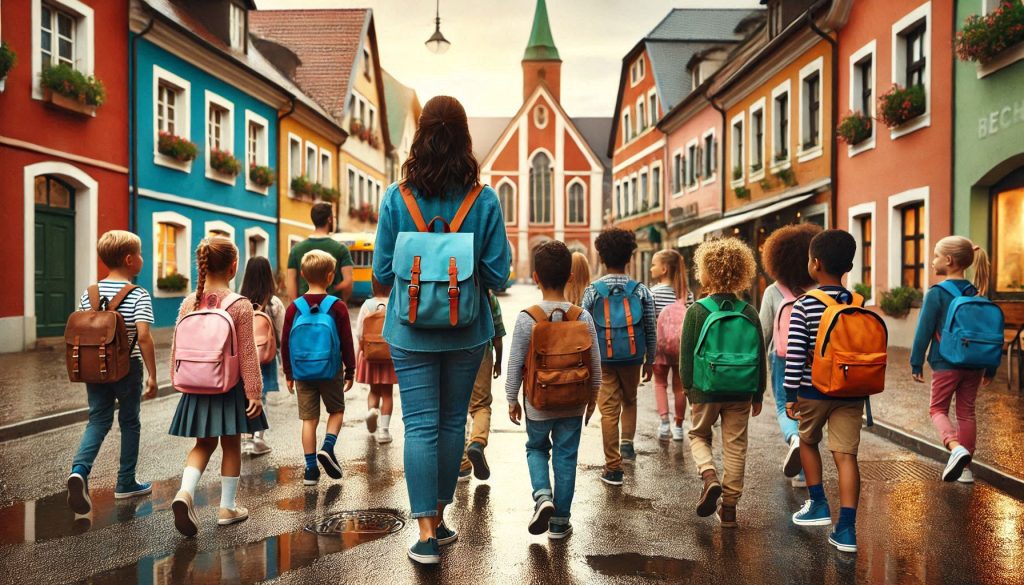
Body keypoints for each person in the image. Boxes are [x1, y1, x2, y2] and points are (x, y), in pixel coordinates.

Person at [373, 95, 510, 565]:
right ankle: (442, 514)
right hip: (466, 326)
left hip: (409, 329)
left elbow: (380, 273)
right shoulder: (484, 199)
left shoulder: (397, 196)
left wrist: (419, 264)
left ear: (420, 135)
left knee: (420, 424)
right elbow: (497, 275)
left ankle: (426, 534)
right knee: (453, 421)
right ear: (465, 137)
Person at [169, 237, 268, 536]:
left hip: (197, 385)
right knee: (231, 444)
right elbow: (248, 354)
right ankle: (227, 507)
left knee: (202, 444)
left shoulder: (190, 302)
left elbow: (177, 347)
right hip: (230, 387)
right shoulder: (239, 305)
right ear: (233, 266)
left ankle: (185, 493)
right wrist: (254, 392)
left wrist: (180, 379)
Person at [507, 241, 602, 539]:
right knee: (566, 456)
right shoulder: (582, 317)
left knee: (536, 448)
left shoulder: (528, 318)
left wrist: (512, 398)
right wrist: (593, 395)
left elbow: (514, 364)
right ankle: (560, 522)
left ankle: (542, 496)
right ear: (571, 277)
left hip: (538, 400)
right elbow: (594, 362)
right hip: (573, 401)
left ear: (535, 278)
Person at [66, 231, 157, 515]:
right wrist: (154, 374)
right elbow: (143, 336)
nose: (142, 258)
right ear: (130, 260)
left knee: (98, 420)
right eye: (140, 254)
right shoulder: (138, 294)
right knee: (129, 422)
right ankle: (126, 481)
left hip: (94, 368)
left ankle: (80, 470)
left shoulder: (89, 293)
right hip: (126, 369)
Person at [785, 229, 862, 553]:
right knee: (846, 457)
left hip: (813, 389)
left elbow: (796, 354)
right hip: (850, 390)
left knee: (807, 440)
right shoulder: (858, 303)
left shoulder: (805, 305)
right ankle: (846, 530)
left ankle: (818, 504)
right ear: (848, 265)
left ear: (815, 264)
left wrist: (790, 395)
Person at [681, 238, 765, 528]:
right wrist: (759, 394)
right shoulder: (749, 312)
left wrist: (689, 389)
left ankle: (708, 476)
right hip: (743, 388)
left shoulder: (697, 310)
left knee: (698, 436)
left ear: (704, 272)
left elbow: (686, 356)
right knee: (736, 445)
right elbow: (761, 356)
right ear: (742, 272)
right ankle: (729, 509)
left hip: (706, 388)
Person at [911, 236, 996, 484]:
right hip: (976, 364)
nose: (933, 260)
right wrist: (990, 368)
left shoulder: (936, 293)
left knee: (937, 409)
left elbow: (923, 330)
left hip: (945, 362)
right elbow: (987, 333)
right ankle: (966, 470)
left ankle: (955, 446)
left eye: (936, 256)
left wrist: (916, 362)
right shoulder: (976, 293)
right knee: (967, 413)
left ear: (948, 261)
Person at [580, 228, 656, 487]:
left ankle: (613, 468)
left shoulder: (592, 291)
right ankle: (627, 445)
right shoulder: (641, 290)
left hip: (602, 359)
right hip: (633, 357)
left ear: (601, 258)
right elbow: (649, 326)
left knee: (609, 410)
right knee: (630, 399)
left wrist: (585, 361)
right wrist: (651, 358)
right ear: (630, 258)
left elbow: (583, 328)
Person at [282, 250, 356, 486]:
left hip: (303, 371)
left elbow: (285, 342)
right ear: (331, 275)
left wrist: (288, 373)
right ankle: (328, 446)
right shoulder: (337, 306)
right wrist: (350, 370)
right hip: (330, 370)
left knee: (309, 420)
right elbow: (346, 341)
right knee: (336, 411)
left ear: (303, 274)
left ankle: (310, 470)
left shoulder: (294, 308)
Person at [758, 223, 821, 488]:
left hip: (782, 359)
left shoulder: (774, 292)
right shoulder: (819, 289)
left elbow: (762, 332)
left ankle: (793, 439)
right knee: (811, 412)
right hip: (816, 359)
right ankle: (805, 474)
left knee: (786, 407)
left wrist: (756, 371)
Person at [458, 290, 505, 482]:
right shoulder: (488, 295)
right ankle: (477, 442)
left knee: (456, 408)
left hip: (453, 351)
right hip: (482, 350)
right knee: (481, 405)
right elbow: (498, 335)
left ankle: (461, 465)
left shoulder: (453, 290)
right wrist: (498, 362)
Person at [240, 256, 284, 456]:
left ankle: (247, 438)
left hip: (243, 358)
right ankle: (258, 438)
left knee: (247, 395)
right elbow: (282, 333)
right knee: (261, 396)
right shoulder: (274, 303)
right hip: (265, 356)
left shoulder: (239, 301)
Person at [649, 248, 694, 441]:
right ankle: (678, 426)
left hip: (660, 349)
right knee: (679, 387)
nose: (651, 268)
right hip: (681, 349)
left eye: (654, 264)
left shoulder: (653, 294)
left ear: (664, 269)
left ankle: (664, 424)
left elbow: (650, 322)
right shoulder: (687, 294)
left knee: (659, 383)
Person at [356, 276, 398, 444]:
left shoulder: (367, 305)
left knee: (374, 390)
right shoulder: (394, 304)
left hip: (371, 354)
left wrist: (360, 351)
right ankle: (384, 432)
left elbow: (360, 332)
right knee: (387, 393)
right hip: (389, 355)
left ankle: (372, 412)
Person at [286, 202, 354, 301]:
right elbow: (348, 282)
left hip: (304, 307)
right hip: (332, 308)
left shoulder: (296, 250)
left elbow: (291, 285)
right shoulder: (341, 249)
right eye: (334, 218)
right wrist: (338, 297)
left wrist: (298, 307)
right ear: (329, 220)